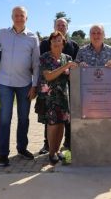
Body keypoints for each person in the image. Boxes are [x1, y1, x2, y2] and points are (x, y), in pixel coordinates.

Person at [0, 6, 40, 167]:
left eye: (22, 15)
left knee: (23, 119)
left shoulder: (32, 37)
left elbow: (36, 63)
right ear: (12, 17)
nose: (19, 18)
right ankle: (3, 153)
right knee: (5, 119)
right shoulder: (2, 33)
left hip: (24, 84)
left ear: (26, 18)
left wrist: (34, 85)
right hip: (5, 83)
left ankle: (22, 148)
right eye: (16, 15)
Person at [38, 18, 79, 154]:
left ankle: (64, 145)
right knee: (51, 122)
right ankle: (48, 147)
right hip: (49, 93)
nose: (61, 27)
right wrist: (66, 67)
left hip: (65, 91)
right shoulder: (44, 51)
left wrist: (78, 69)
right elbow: (47, 75)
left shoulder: (72, 49)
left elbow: (74, 69)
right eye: (58, 25)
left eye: (63, 25)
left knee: (63, 121)